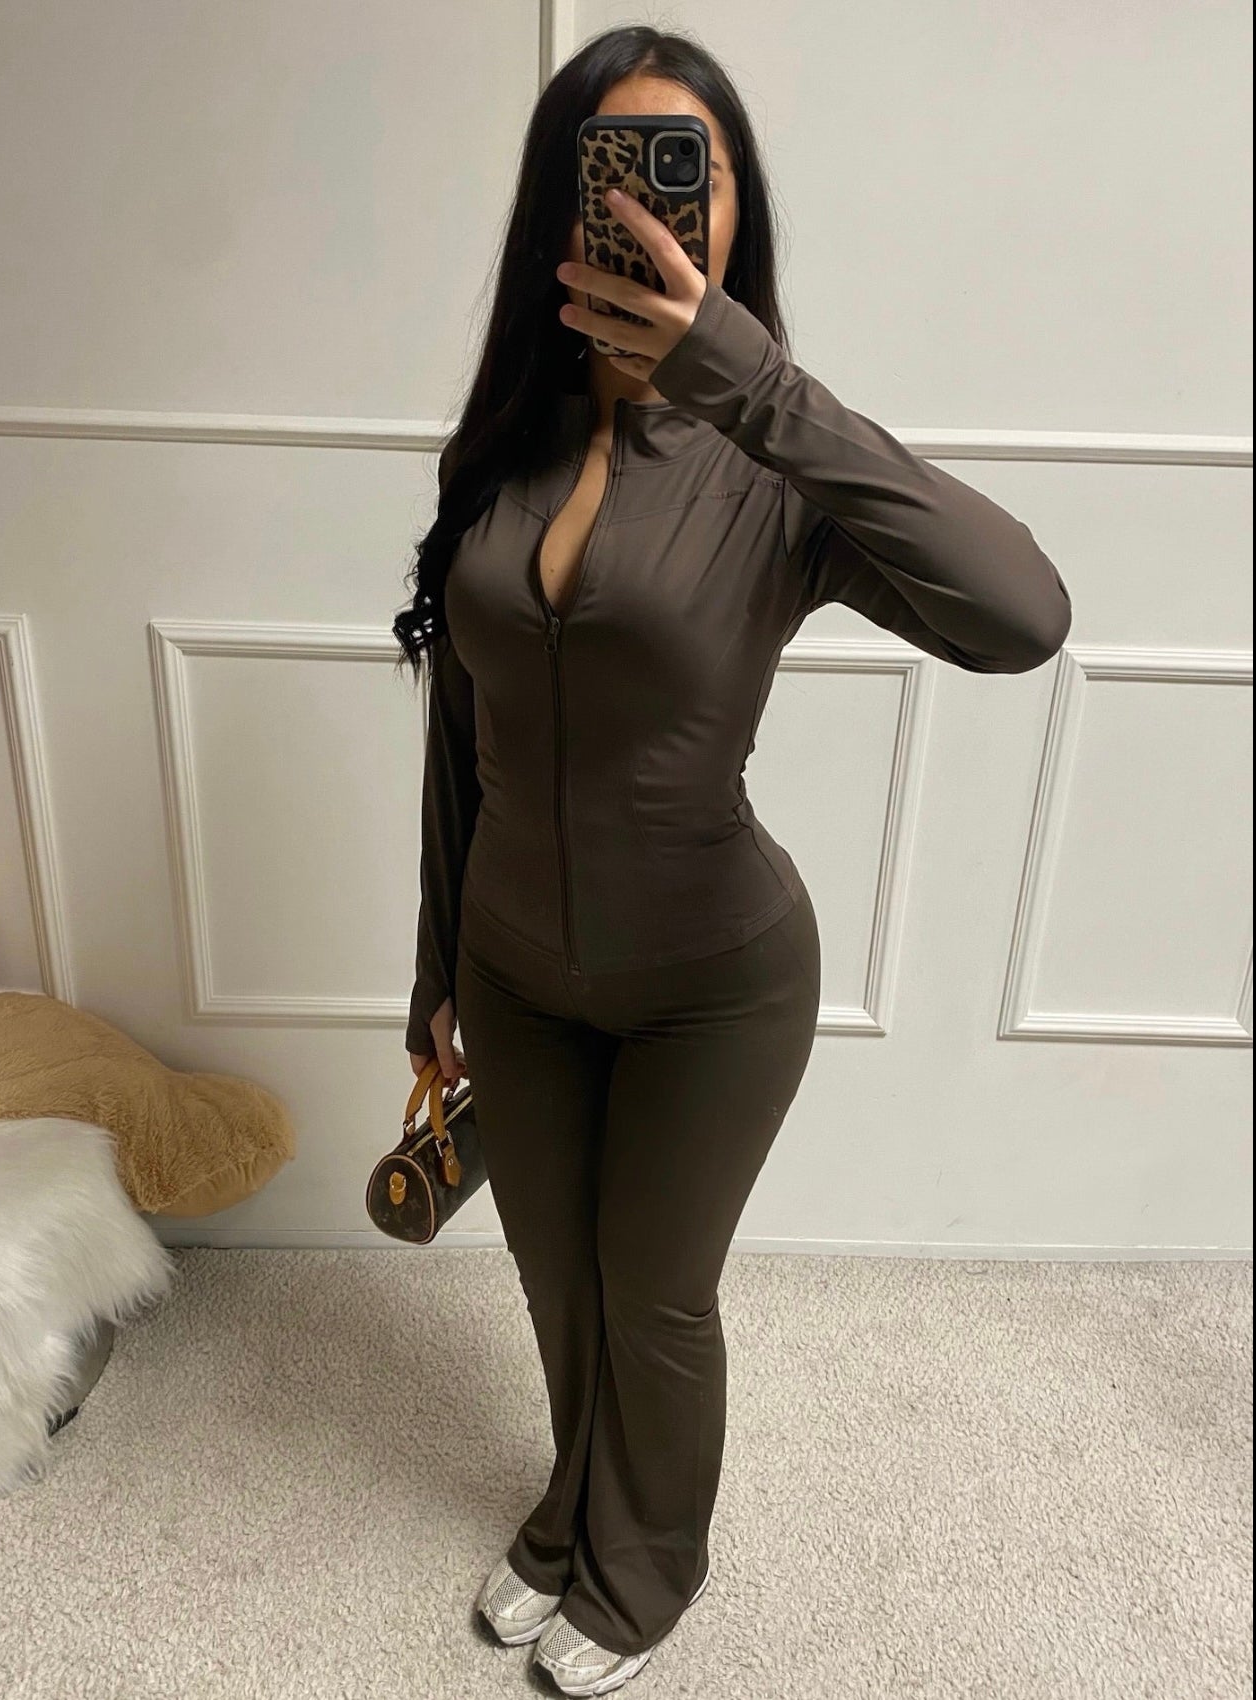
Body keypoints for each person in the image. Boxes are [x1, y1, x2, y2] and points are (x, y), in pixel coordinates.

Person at [391, 24, 1072, 1698]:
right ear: (562, 207)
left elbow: (1024, 616)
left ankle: (645, 1572)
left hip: (714, 979)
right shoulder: (500, 452)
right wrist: (432, 977)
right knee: (557, 1284)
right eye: (614, 170)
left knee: (653, 1294)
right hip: (513, 971)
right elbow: (460, 736)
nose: (654, 206)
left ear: (734, 207)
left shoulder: (779, 472)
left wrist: (753, 385)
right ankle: (572, 1512)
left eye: (687, 172)